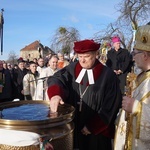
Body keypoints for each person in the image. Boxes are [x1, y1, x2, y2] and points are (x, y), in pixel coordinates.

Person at [47, 39, 122, 150]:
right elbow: (56, 79)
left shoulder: (108, 75)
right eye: (80, 56)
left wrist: (93, 126)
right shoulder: (72, 69)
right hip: (74, 125)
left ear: (96, 54)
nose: (82, 60)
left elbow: (111, 105)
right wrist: (55, 94)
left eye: (86, 56)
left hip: (96, 133)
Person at [114, 24, 150, 150]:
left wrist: (137, 107)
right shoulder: (140, 76)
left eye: (135, 53)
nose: (133, 58)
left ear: (145, 55)